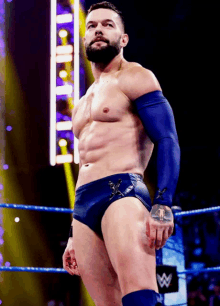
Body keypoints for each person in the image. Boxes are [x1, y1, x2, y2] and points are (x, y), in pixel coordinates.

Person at [62, 1, 180, 305]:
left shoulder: (136, 77)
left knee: (138, 296)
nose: (98, 30)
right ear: (84, 38)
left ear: (123, 39)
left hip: (122, 193)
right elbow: (85, 162)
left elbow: (167, 140)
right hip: (83, 207)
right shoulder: (83, 102)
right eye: (92, 26)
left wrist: (163, 203)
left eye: (108, 24)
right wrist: (74, 232)